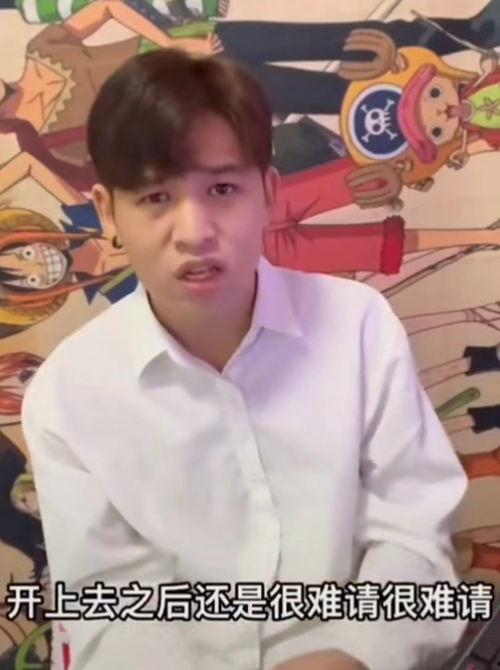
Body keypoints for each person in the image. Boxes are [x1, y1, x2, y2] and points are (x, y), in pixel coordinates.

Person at [21, 49, 469, 670]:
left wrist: (354, 655)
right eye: (155, 197)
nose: (194, 231)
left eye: (223, 189)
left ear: (269, 193)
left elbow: (414, 537)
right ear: (108, 212)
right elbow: (109, 606)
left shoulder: (359, 327)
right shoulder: (66, 395)